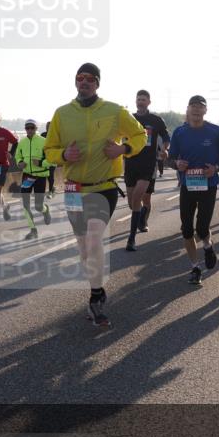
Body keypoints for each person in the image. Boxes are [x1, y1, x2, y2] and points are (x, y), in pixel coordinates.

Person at [43, 63, 146, 327]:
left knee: (93, 237)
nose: (85, 82)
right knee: (83, 246)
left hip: (104, 187)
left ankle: (96, 296)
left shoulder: (114, 111)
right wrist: (63, 155)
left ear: (97, 83)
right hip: (74, 189)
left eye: (90, 79)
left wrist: (124, 149)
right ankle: (96, 288)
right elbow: (49, 150)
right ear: (75, 82)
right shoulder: (62, 114)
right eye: (80, 78)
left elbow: (139, 134)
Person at [167, 95, 219, 284]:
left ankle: (207, 245)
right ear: (188, 109)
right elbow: (169, 159)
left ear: (205, 110)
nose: (196, 110)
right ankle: (195, 267)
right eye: (193, 106)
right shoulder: (180, 132)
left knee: (202, 227)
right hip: (188, 185)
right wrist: (176, 163)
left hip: (209, 185)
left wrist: (216, 168)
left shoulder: (214, 131)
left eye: (200, 107)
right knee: (187, 229)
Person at [124, 90, 170, 252]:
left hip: (148, 164)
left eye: (143, 99)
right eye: (138, 99)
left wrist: (165, 149)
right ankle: (142, 215)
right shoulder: (129, 119)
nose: (140, 102)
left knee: (139, 196)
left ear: (149, 102)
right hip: (130, 163)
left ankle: (131, 239)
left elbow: (166, 136)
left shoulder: (155, 120)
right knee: (132, 203)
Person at [14, 119, 52, 240]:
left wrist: (41, 162)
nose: (29, 130)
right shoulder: (22, 142)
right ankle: (33, 230)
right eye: (27, 128)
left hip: (40, 176)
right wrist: (19, 162)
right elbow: (17, 156)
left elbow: (51, 160)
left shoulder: (44, 141)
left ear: (36, 129)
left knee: (38, 206)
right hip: (27, 176)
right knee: (25, 204)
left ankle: (45, 210)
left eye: (32, 128)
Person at [41, 121, 57, 197]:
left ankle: (50, 191)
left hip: (53, 158)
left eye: (50, 126)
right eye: (47, 126)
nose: (48, 128)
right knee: (45, 175)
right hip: (44, 159)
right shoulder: (42, 135)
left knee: (51, 175)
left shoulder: (56, 136)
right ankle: (52, 187)